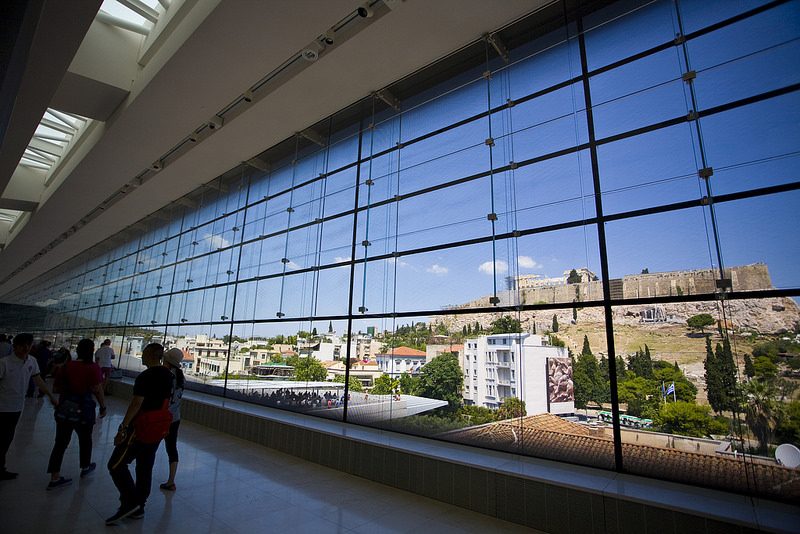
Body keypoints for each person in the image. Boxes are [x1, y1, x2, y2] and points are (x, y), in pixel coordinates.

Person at [106, 343, 173, 525]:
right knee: (145, 466)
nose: (141, 356)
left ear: (151, 355)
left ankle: (131, 503)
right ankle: (140, 505)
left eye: (143, 353)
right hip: (158, 427)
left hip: (141, 427)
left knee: (115, 464)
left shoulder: (145, 377)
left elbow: (136, 403)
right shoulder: (168, 375)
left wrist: (124, 426)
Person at [46, 339, 107, 490]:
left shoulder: (66, 366)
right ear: (91, 351)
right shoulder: (93, 368)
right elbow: (97, 389)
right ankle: (85, 466)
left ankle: (54, 476)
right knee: (85, 439)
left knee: (60, 443)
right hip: (85, 410)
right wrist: (103, 406)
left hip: (66, 409)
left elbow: (57, 388)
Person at [0, 333, 56, 480]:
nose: (26, 348)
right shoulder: (4, 363)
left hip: (17, 407)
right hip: (2, 407)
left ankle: (1, 467)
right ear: (15, 346)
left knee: (7, 438)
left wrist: (50, 396)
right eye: (22, 345)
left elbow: (38, 379)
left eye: (28, 345)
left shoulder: (32, 361)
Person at [159, 348, 184, 491]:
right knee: (172, 448)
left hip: (161, 418)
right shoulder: (180, 377)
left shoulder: (165, 376)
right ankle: (171, 480)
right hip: (175, 418)